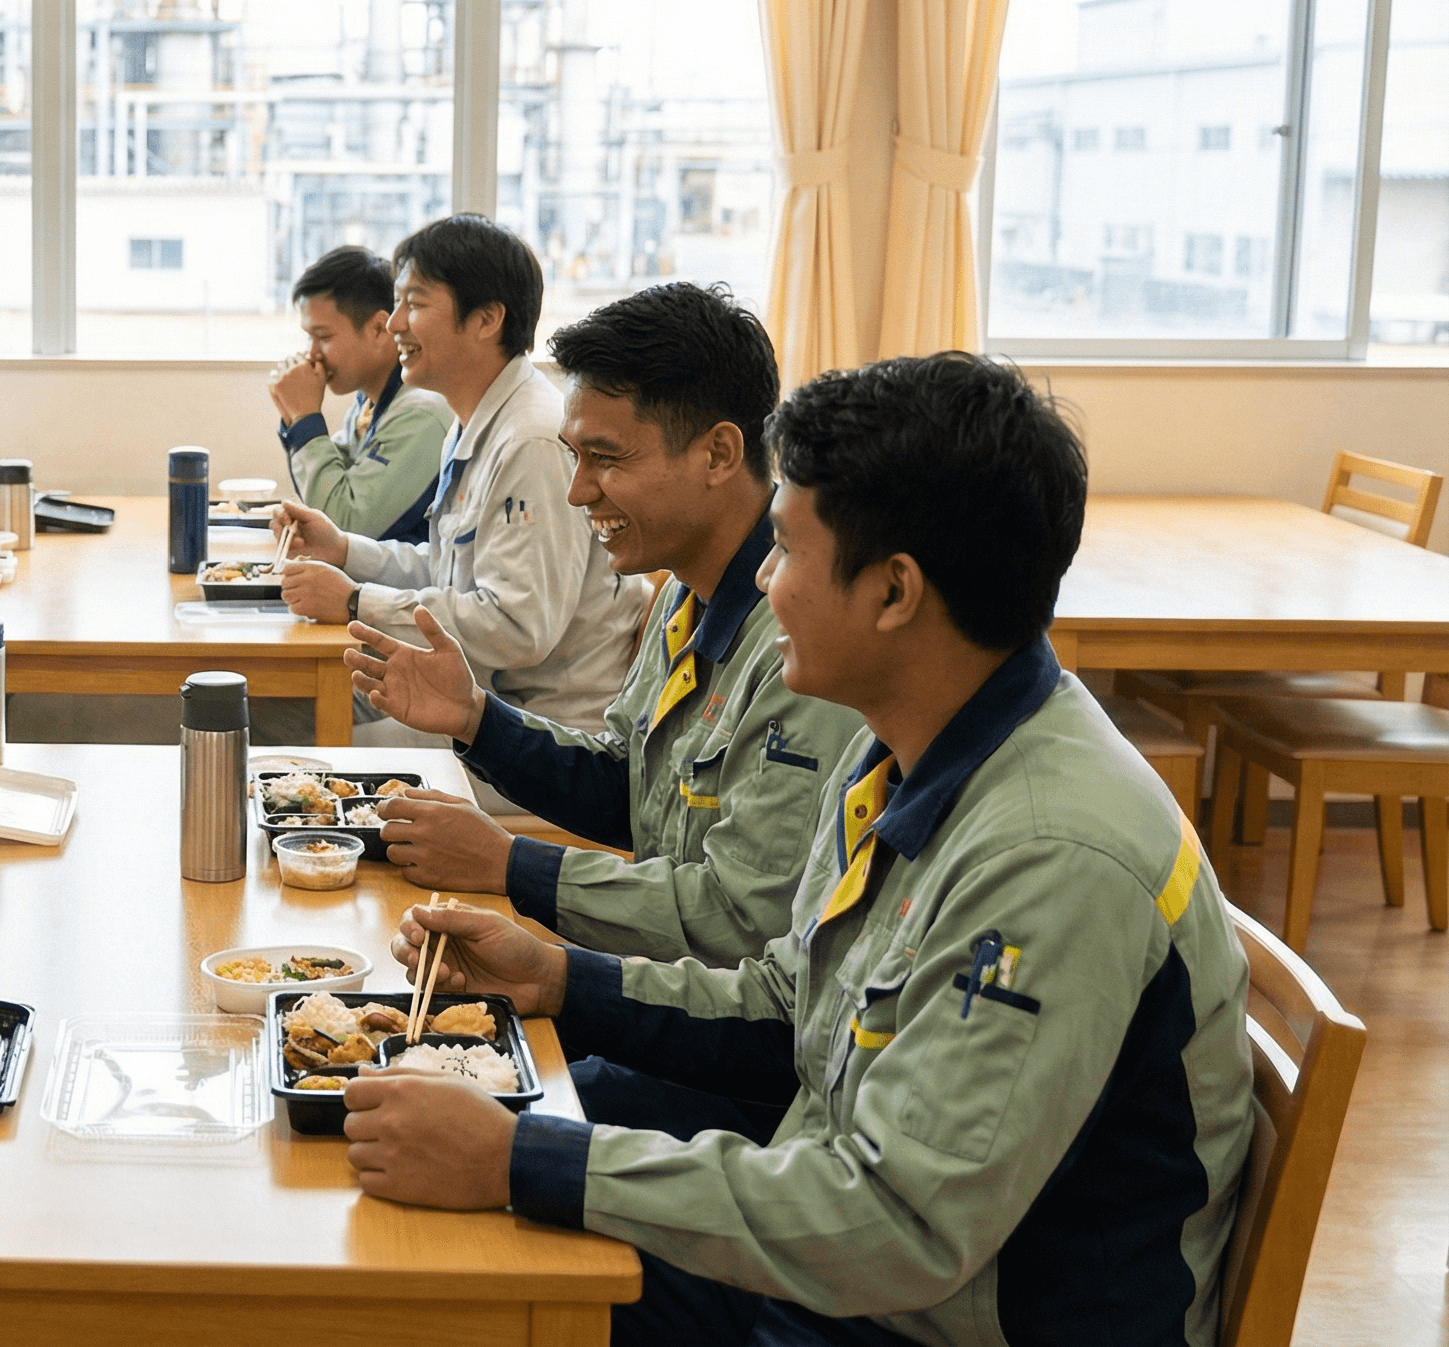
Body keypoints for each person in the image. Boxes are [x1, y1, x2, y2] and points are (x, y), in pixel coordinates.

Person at [343, 353, 1255, 1347]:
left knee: (461, 1288)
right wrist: (561, 976)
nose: (764, 582)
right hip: (855, 1267)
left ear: (894, 593)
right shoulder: (902, 744)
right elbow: (794, 1005)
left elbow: (897, 1224)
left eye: (784, 549)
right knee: (452, 1251)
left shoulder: (1054, 856)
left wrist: (527, 1160)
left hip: (930, 1315)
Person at [343, 283, 859, 969]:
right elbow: (631, 789)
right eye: (576, 457)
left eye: (607, 459)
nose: (578, 490)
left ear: (719, 454)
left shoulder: (801, 641)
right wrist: (474, 718)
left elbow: (739, 923)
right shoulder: (683, 590)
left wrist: (512, 866)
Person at [273, 214, 645, 740]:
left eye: (416, 304)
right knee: (275, 704)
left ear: (487, 319)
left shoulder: (531, 441)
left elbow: (517, 627)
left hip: (536, 733)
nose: (395, 323)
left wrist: (358, 601)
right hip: (474, 696)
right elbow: (454, 574)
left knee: (295, 736)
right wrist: (346, 551)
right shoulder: (474, 421)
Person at [270, 244, 453, 541]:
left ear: (380, 328)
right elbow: (331, 490)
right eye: (309, 338)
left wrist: (304, 418)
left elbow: (345, 524)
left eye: (323, 337)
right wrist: (293, 417)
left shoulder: (421, 412)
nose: (312, 355)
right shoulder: (368, 403)